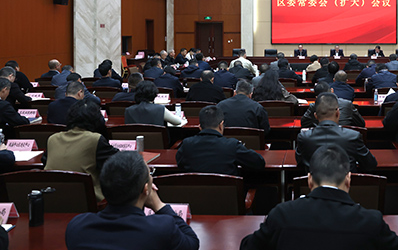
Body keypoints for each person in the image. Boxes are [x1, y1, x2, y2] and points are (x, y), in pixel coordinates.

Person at [241, 145, 398, 250]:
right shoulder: (371, 221)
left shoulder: (281, 215)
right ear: (348, 179)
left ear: (309, 180)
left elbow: (247, 246)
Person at [65, 151, 199, 250]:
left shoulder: (77, 226)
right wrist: (158, 204)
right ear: (146, 189)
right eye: (150, 173)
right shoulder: (162, 228)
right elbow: (192, 243)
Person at [43, 98, 119, 201]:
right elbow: (118, 162)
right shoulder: (94, 139)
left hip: (52, 199)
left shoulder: (53, 139)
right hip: (88, 200)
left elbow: (45, 161)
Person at [296, 93, 377, 172]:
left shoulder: (303, 137)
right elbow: (370, 164)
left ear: (315, 116)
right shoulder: (353, 136)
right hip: (345, 181)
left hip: (315, 181)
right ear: (338, 113)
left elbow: (299, 162)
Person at [176, 105, 264, 175]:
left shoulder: (187, 144)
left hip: (194, 192)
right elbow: (259, 162)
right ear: (221, 125)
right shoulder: (232, 145)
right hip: (227, 193)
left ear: (199, 127)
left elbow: (180, 164)